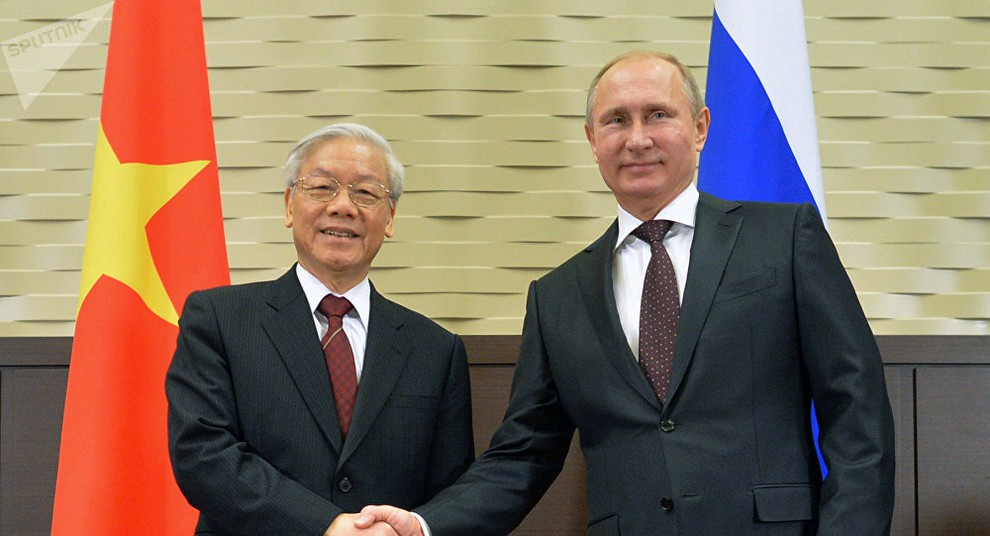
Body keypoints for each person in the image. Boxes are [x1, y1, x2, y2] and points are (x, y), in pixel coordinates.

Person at [356, 51, 896, 535]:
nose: (637, 138)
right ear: (593, 141)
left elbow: (856, 406)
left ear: (701, 127)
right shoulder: (557, 296)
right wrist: (423, 526)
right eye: (616, 120)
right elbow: (523, 455)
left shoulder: (784, 238)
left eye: (658, 114)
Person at [166, 123, 475, 535]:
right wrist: (324, 525)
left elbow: (450, 496)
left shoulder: (436, 350)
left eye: (366, 193)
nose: (343, 206)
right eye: (322, 188)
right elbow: (203, 456)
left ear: (390, 218)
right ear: (289, 205)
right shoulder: (219, 319)